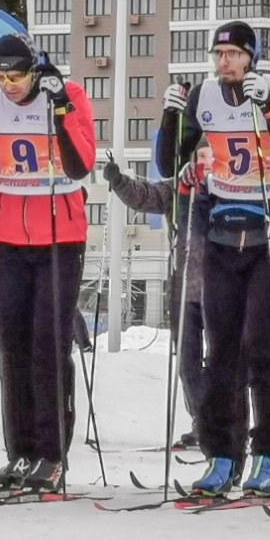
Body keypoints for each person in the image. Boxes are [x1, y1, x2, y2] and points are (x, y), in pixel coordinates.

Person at [157, 21, 270, 497]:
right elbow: (169, 164)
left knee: (265, 352)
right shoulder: (204, 95)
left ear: (251, 57)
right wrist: (171, 118)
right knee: (220, 354)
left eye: (233, 53)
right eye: (219, 53)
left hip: (265, 236)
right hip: (223, 238)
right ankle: (222, 454)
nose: (224, 61)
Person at [0, 34, 96, 492]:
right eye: (1, 75)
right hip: (6, 237)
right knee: (13, 348)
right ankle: (21, 452)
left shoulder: (68, 95)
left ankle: (52, 454)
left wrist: (60, 104)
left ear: (35, 70)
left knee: (48, 346)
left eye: (18, 76)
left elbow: (80, 164)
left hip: (59, 238)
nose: (8, 85)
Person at [102, 145, 208, 450]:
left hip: (223, 284)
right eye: (200, 157)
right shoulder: (179, 189)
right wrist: (119, 181)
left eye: (210, 157)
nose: (205, 164)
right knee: (188, 360)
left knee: (221, 360)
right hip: (185, 286)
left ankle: (223, 421)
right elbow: (146, 195)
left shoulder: (229, 190)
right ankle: (200, 420)